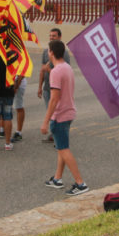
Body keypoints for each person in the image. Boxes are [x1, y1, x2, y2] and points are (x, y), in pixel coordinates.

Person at [41, 39, 88, 196]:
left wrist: (46, 121)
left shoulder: (56, 71)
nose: (48, 53)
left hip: (60, 115)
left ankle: (80, 183)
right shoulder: (66, 67)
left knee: (63, 149)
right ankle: (57, 178)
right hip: (69, 112)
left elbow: (54, 99)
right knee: (61, 147)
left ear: (52, 53)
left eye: (48, 50)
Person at [38, 27, 70, 141]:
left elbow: (63, 75)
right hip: (47, 88)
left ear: (59, 37)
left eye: (54, 36)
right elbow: (42, 70)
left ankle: (57, 133)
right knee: (49, 110)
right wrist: (39, 87)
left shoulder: (64, 53)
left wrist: (49, 71)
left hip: (56, 89)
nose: (51, 38)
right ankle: (54, 133)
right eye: (50, 36)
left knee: (56, 111)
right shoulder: (46, 52)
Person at [10, 76, 27, 143]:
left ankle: (18, 132)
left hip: (17, 83)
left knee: (18, 107)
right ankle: (2, 129)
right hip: (9, 81)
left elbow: (21, 73)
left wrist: (16, 86)